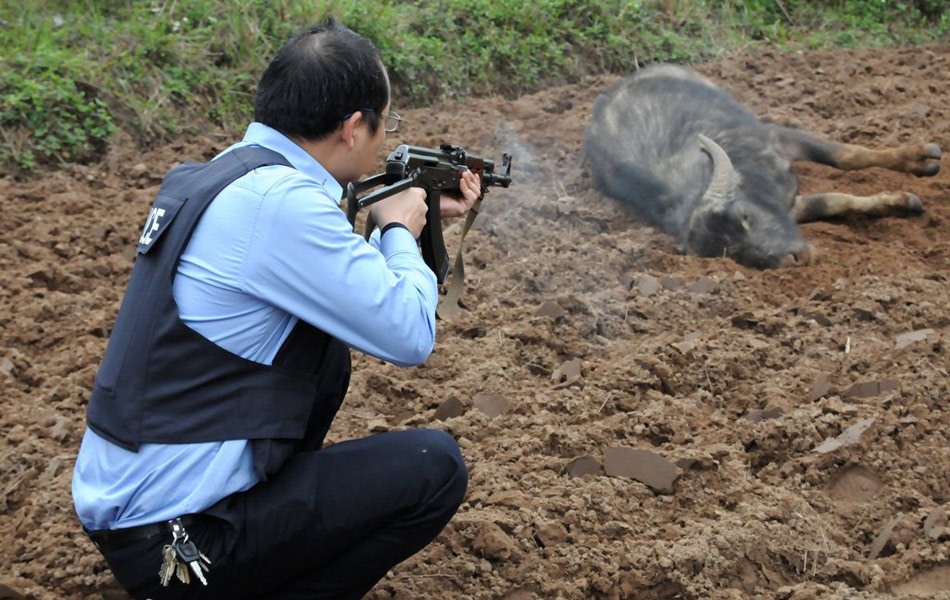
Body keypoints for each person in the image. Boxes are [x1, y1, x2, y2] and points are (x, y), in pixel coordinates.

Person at [72, 21, 478, 600]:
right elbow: (410, 335)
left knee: (324, 351)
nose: (385, 140)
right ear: (353, 127)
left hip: (133, 515)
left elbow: (329, 284)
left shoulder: (223, 176)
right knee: (433, 467)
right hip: (177, 546)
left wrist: (414, 223)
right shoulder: (281, 203)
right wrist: (397, 229)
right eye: (387, 123)